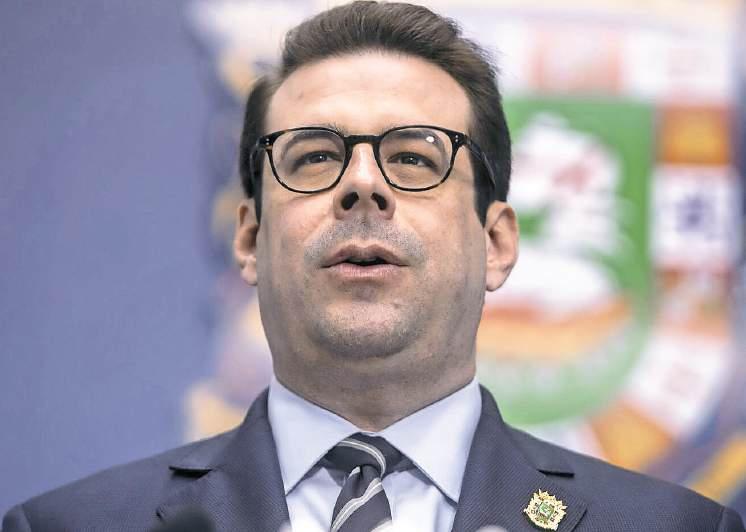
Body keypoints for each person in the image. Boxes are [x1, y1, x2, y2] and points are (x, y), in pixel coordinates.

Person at [3, 2, 744, 531]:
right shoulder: (73, 525)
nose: (362, 184)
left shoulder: (670, 527)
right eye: (315, 157)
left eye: (415, 157)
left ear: (496, 243)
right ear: (250, 241)